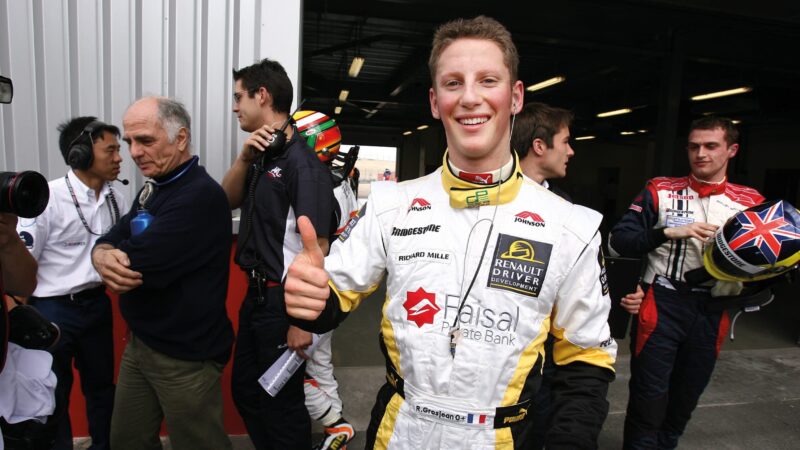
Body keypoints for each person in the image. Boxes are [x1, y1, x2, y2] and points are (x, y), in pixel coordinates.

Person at [284, 16, 617, 449]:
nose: (471, 98)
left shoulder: (573, 227)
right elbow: (330, 300)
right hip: (400, 433)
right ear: (434, 101)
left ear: (515, 97)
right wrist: (307, 297)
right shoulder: (390, 205)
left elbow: (586, 362)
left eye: (488, 80)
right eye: (453, 83)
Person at [608, 116, 765, 449]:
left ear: (732, 150)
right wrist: (667, 232)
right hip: (662, 302)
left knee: (685, 399)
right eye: (694, 146)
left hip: (713, 309)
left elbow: (769, 265)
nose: (700, 154)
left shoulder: (751, 203)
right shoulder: (659, 190)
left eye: (711, 146)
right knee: (648, 400)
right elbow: (619, 240)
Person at [91, 97, 234, 450]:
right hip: (141, 345)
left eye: (145, 140)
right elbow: (116, 232)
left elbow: (140, 263)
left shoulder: (199, 196)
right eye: (129, 142)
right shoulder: (156, 185)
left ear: (180, 138)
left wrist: (111, 252)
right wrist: (100, 252)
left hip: (185, 359)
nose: (134, 153)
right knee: (127, 440)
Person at [222, 59, 335, 450]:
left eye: (239, 97)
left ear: (262, 95)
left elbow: (318, 248)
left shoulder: (303, 165)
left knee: (280, 405)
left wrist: (303, 320)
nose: (235, 106)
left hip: (282, 302)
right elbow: (226, 202)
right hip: (255, 300)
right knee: (247, 394)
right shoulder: (261, 155)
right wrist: (243, 160)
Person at [12, 117, 126, 450]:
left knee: (102, 389)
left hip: (96, 306)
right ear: (80, 155)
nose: (120, 158)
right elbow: (22, 265)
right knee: (53, 391)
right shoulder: (46, 198)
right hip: (52, 309)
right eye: (111, 150)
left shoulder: (117, 197)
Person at [294, 110, 359, 449]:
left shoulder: (318, 187)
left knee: (286, 373)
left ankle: (334, 422)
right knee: (320, 364)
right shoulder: (341, 181)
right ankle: (337, 431)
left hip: (314, 292)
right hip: (333, 289)